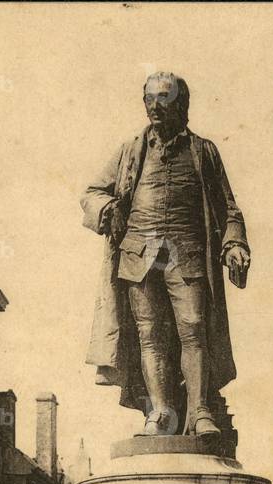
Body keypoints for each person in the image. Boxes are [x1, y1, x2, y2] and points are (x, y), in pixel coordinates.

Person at [81, 72, 250, 438]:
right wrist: (109, 208)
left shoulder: (203, 151)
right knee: (150, 335)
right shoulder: (130, 150)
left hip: (187, 254)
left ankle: (200, 410)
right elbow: (93, 192)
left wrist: (234, 243)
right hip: (139, 254)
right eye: (150, 99)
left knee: (193, 329)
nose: (155, 106)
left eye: (164, 98)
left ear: (181, 104)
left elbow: (229, 209)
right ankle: (158, 413)